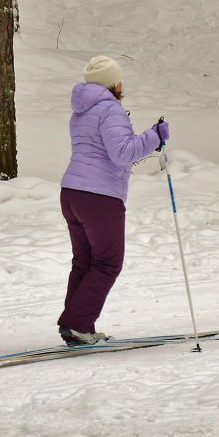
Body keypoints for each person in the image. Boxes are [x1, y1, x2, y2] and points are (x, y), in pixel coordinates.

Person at [57, 56, 169, 346]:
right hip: (99, 196)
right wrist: (153, 136)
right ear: (112, 83)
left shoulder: (82, 111)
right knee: (108, 262)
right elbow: (122, 153)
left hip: (72, 192)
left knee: (85, 262)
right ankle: (77, 323)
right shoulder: (110, 111)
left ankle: (79, 328)